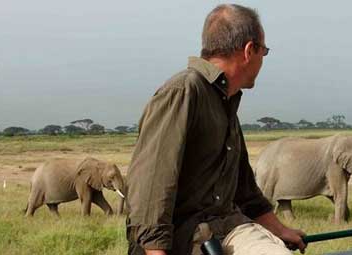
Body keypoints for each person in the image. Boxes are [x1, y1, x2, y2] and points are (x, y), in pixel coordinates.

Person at [125, 4, 306, 255]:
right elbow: (152, 184)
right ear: (249, 50)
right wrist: (156, 250)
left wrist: (280, 230)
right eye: (263, 51)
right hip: (187, 237)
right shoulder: (184, 92)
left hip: (228, 228)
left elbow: (245, 190)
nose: (263, 59)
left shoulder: (225, 101)